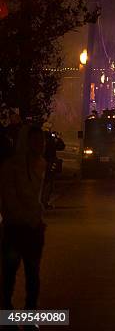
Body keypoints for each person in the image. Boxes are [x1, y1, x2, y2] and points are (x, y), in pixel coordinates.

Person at [0, 125, 47, 311]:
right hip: (16, 229)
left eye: (41, 141)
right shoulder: (11, 167)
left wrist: (37, 218)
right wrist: (28, 218)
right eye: (36, 141)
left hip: (34, 229)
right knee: (10, 276)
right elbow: (9, 199)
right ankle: (7, 316)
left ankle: (29, 318)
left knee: (33, 276)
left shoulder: (41, 164)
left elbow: (37, 197)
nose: (40, 145)